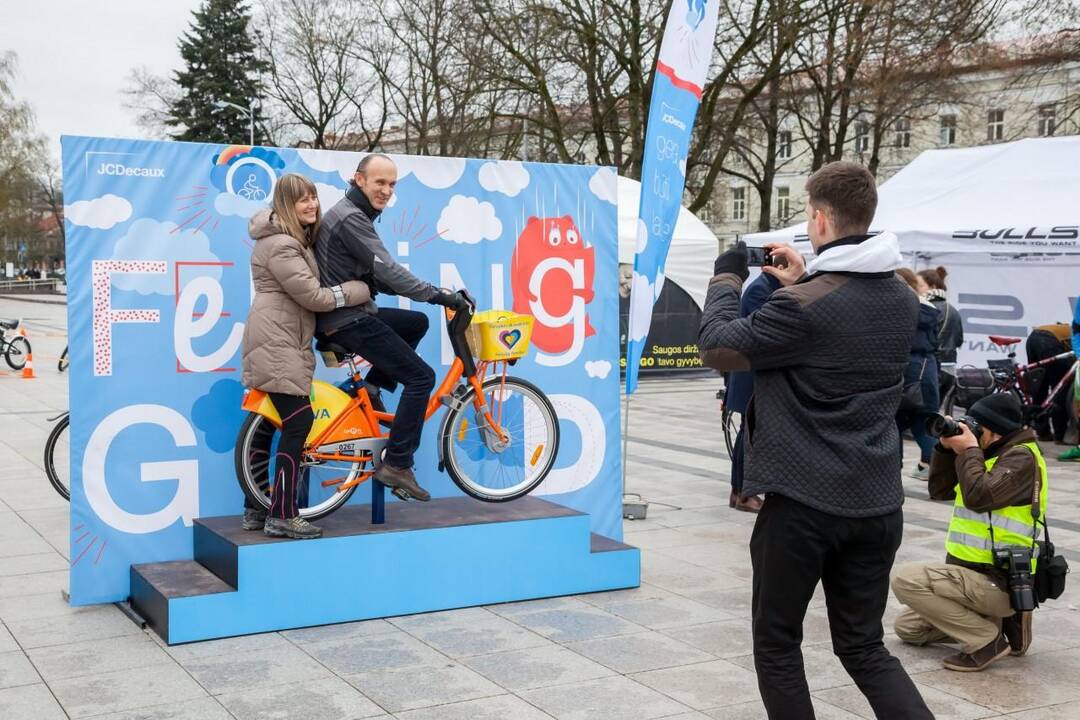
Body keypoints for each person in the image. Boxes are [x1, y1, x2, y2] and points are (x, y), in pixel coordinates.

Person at [698, 161, 932, 719]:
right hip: (877, 501)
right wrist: (805, 277)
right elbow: (838, 314)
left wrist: (727, 277)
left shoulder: (801, 306)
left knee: (777, 645)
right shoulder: (901, 298)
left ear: (821, 218)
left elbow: (717, 346)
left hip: (804, 506)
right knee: (864, 647)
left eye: (807, 212)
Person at [315, 153, 470, 501]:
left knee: (415, 322)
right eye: (379, 182)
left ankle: (371, 388)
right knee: (421, 378)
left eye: (391, 184)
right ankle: (398, 463)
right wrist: (437, 294)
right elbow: (387, 270)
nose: (386, 190)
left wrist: (429, 297)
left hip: (349, 315)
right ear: (359, 180)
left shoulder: (354, 215)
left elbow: (373, 275)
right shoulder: (351, 218)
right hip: (347, 321)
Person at [241, 173, 371, 539]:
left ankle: (255, 507)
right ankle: (282, 514)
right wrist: (357, 290)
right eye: (302, 200)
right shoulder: (282, 245)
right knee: (297, 422)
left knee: (270, 422)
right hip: (277, 339)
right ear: (285, 205)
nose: (312, 204)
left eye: (313, 197)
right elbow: (313, 296)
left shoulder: (285, 239)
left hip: (280, 335)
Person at [892, 393, 1046, 671]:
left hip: (999, 581)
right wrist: (943, 449)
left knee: (905, 579)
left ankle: (987, 639)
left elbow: (979, 497)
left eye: (976, 426)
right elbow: (938, 491)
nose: (969, 430)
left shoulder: (1022, 458)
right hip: (969, 576)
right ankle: (991, 623)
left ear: (995, 430)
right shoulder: (988, 452)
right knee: (908, 628)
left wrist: (969, 450)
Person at [723, 272, 780, 513]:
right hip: (751, 377)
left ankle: (739, 492)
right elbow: (760, 332)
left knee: (748, 435)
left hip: (751, 375)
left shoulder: (764, 286)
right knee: (749, 436)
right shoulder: (761, 289)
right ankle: (743, 493)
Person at [896, 268, 941, 480]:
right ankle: (942, 473)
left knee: (892, 426)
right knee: (923, 426)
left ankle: (890, 475)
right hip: (927, 374)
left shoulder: (901, 308)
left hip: (906, 376)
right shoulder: (929, 308)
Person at [918, 266, 963, 401]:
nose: (916, 288)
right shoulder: (953, 309)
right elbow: (959, 340)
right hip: (949, 368)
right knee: (933, 413)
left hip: (932, 367)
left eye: (920, 285)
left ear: (932, 286)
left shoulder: (927, 308)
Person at [1026, 321, 1073, 444]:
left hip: (1033, 338)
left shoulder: (1065, 328)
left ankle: (1043, 432)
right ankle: (1060, 435)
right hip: (1049, 342)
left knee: (1040, 385)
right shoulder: (1071, 334)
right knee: (1061, 387)